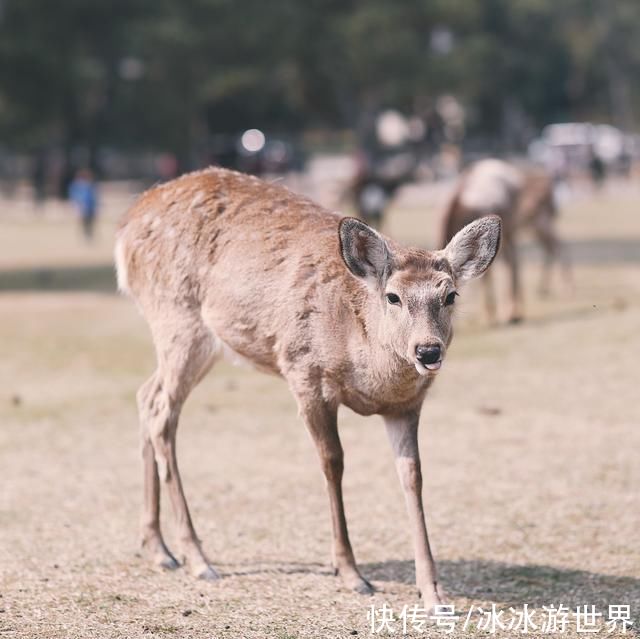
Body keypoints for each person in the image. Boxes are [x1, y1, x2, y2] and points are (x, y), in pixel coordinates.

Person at [68, 168, 98, 240]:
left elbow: (94, 197)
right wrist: (77, 205)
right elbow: (74, 196)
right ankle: (85, 235)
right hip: (82, 208)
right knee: (83, 222)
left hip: (90, 208)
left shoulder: (90, 185)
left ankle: (89, 235)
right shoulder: (77, 186)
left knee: (90, 222)